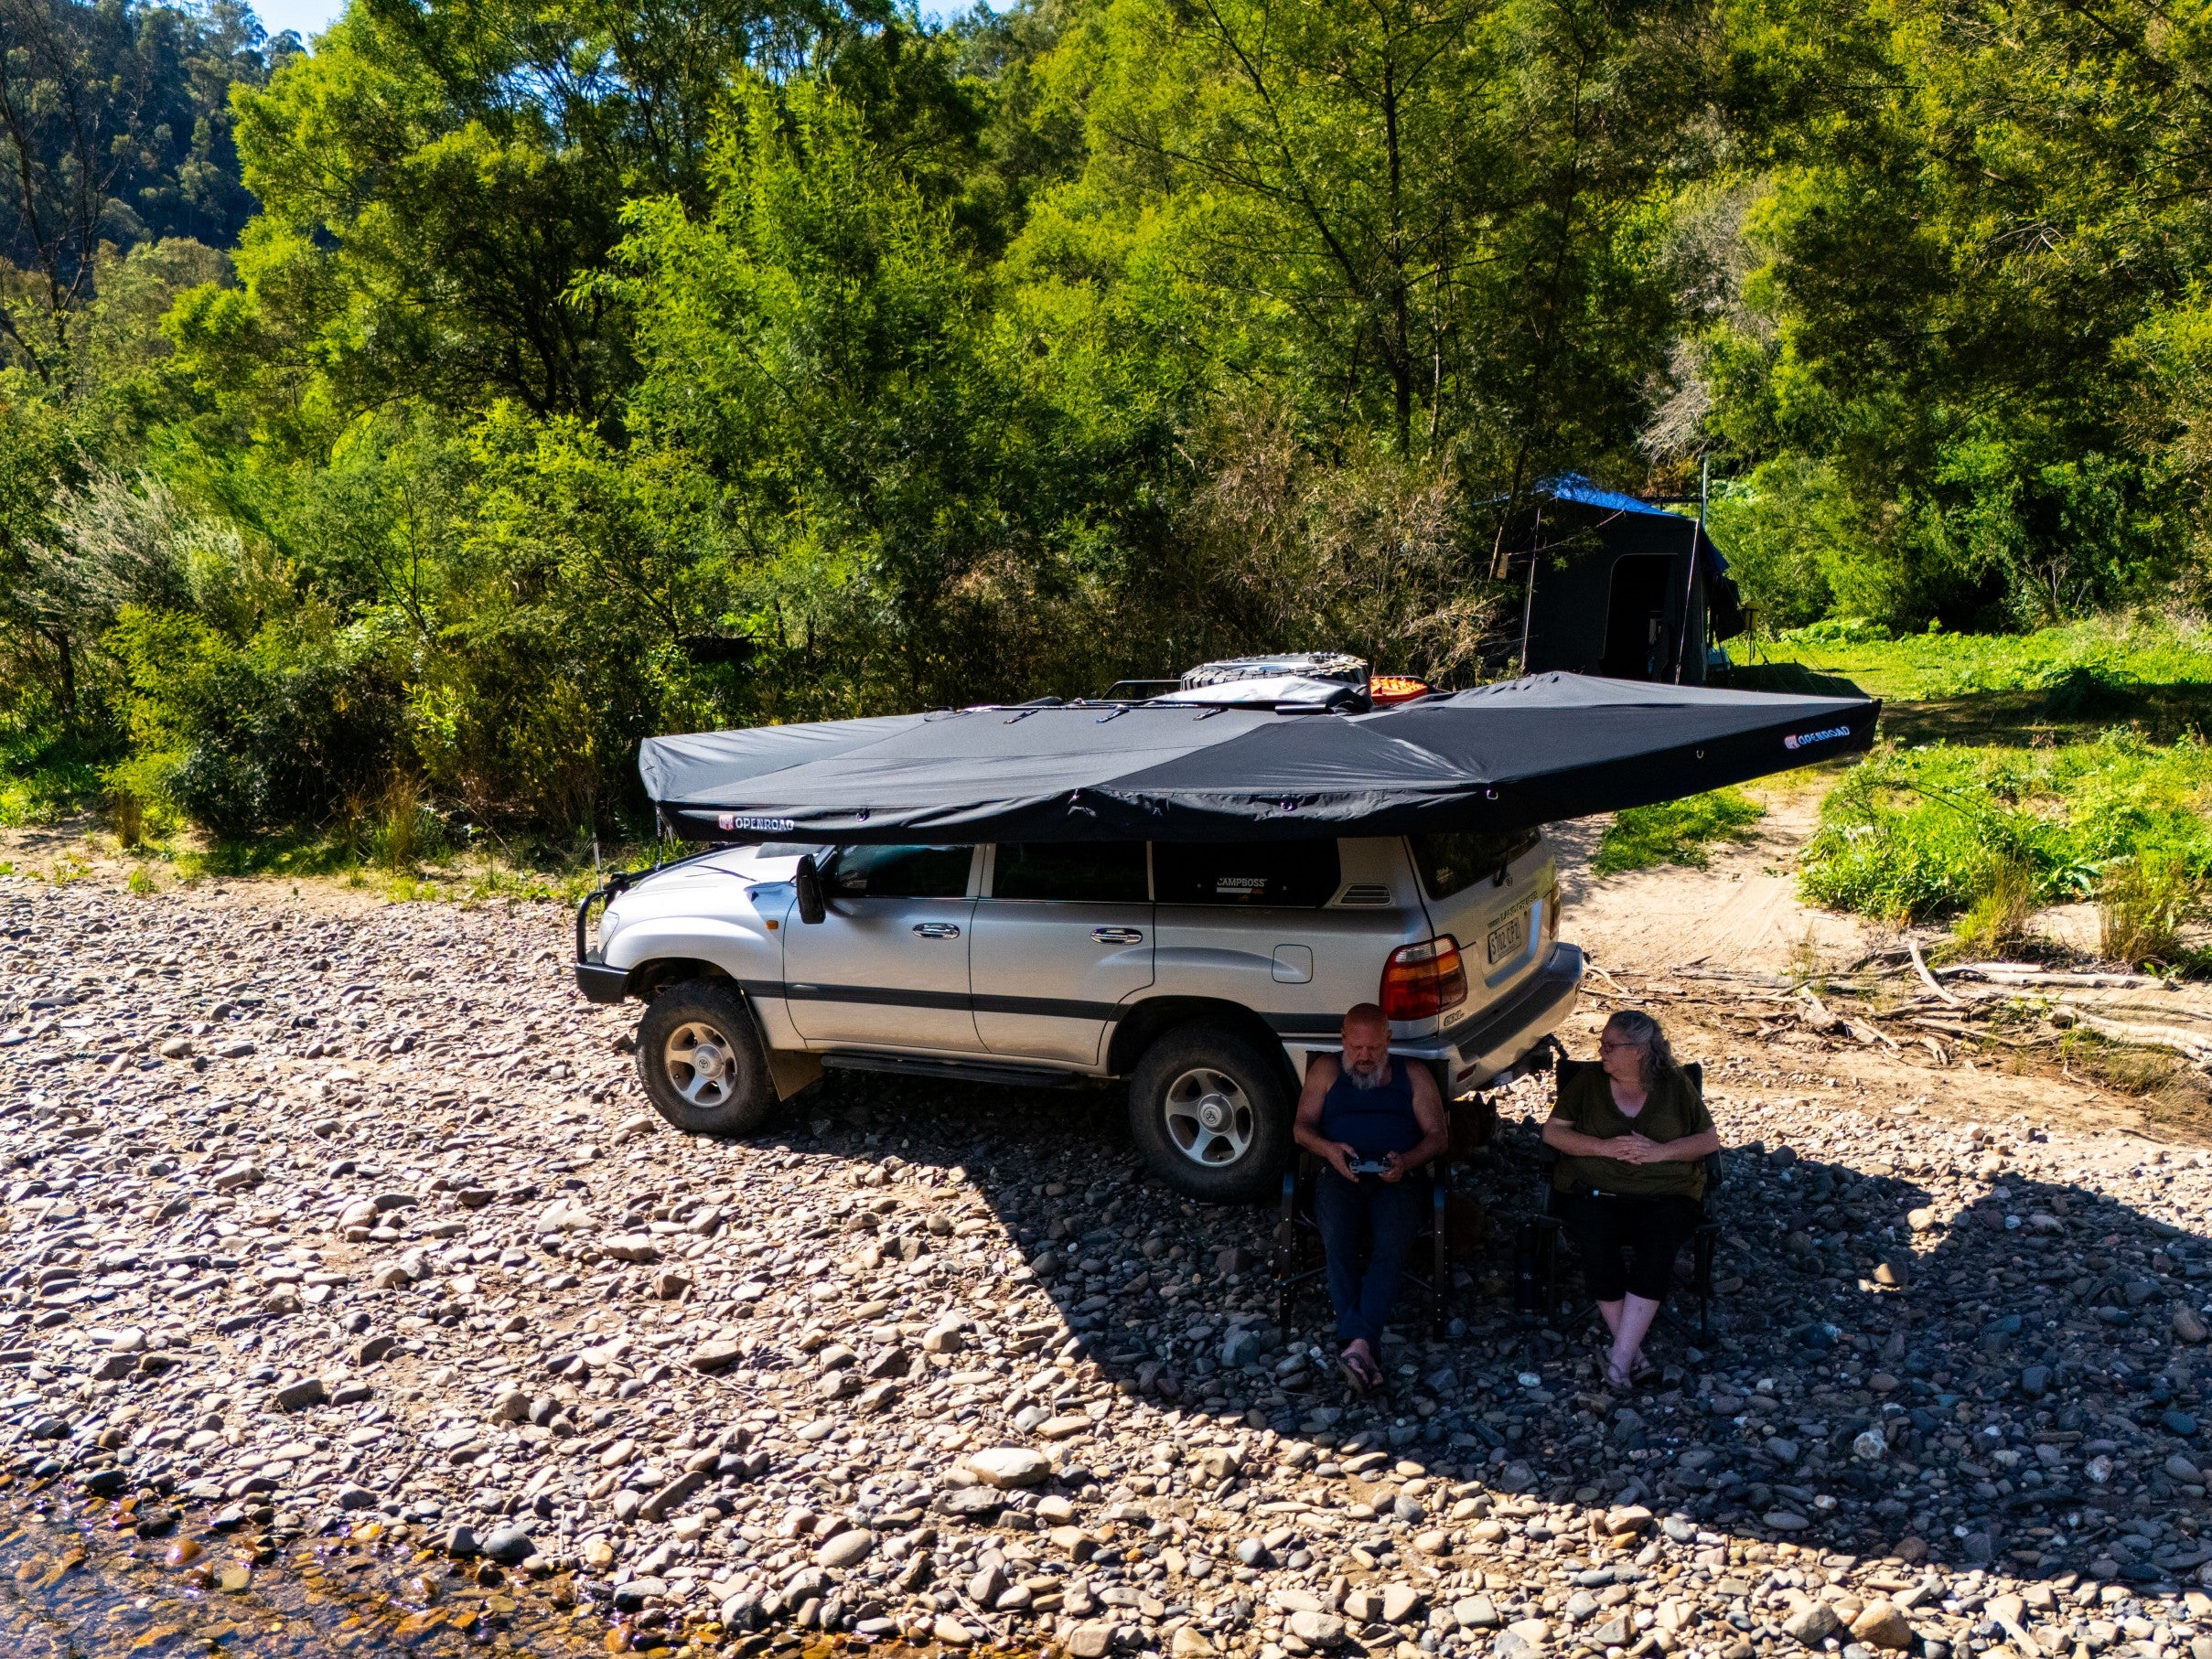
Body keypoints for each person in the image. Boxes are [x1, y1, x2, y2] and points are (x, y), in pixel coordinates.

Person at [1541, 1009, 1720, 1389]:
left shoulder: (1674, 1085)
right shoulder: (1589, 1081)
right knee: (1594, 1240)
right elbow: (1553, 1134)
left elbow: (1707, 1141)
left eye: (1610, 1045)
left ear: (1639, 1050)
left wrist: (1660, 1152)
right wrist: (1601, 1147)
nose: (1601, 1051)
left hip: (1666, 1193)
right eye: (1601, 1043)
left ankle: (1620, 1358)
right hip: (1595, 1190)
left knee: (1659, 1244)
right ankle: (1632, 1357)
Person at [1294, 1003, 1448, 1392]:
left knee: (1391, 1246)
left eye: (1374, 1049)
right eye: (1357, 1048)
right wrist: (1328, 1149)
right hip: (1340, 1172)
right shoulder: (1327, 1070)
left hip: (1397, 1175)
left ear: (1388, 1041)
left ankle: (1355, 1343)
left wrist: (1407, 1160)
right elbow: (1300, 1128)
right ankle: (1363, 1345)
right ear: (1344, 1040)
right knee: (1338, 1241)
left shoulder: (1412, 1075)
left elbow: (1438, 1136)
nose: (1364, 1057)